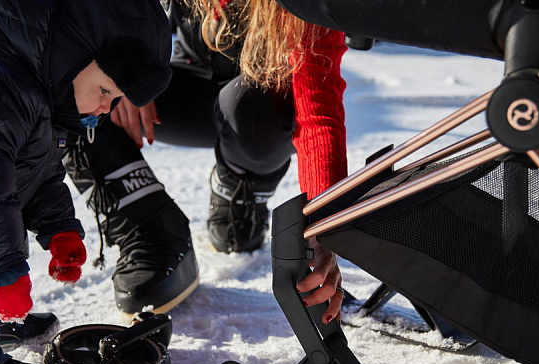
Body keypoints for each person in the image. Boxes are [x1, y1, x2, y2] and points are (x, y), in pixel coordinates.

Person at [0, 0, 173, 364]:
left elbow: (40, 175)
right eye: (105, 91)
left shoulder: (39, 94)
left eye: (115, 98)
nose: (105, 107)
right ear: (69, 56)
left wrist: (59, 229)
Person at [63, 0, 345, 323]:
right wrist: (123, 70)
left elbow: (319, 114)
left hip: (258, 108)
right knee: (78, 87)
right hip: (179, 81)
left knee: (250, 106)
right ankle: (153, 232)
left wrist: (325, 228)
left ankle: (240, 193)